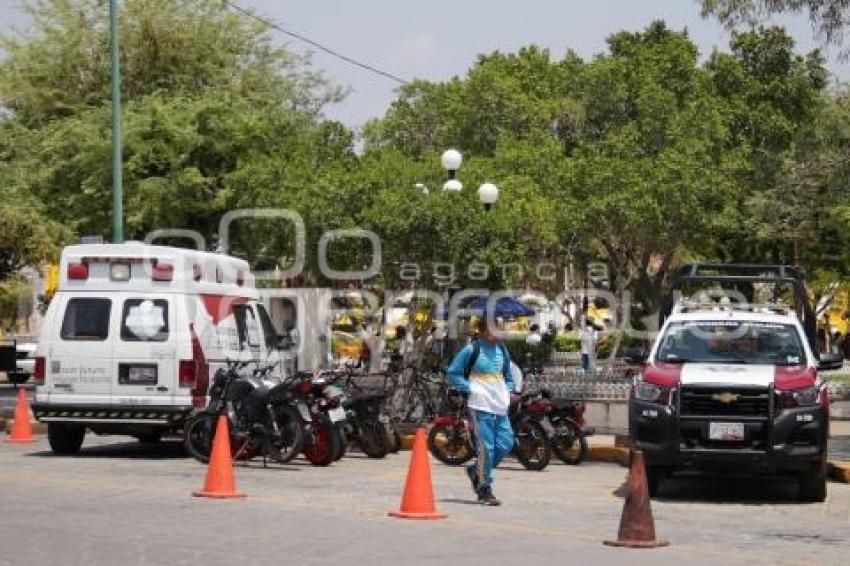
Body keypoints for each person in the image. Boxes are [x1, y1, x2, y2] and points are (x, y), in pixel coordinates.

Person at [446, 318, 515, 506]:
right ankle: (484, 488)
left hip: (499, 405)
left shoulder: (502, 351)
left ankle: (475, 470)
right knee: (487, 448)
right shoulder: (472, 350)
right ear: (484, 331)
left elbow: (509, 376)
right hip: (480, 405)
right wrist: (472, 388)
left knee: (505, 443)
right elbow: (452, 373)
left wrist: (507, 390)